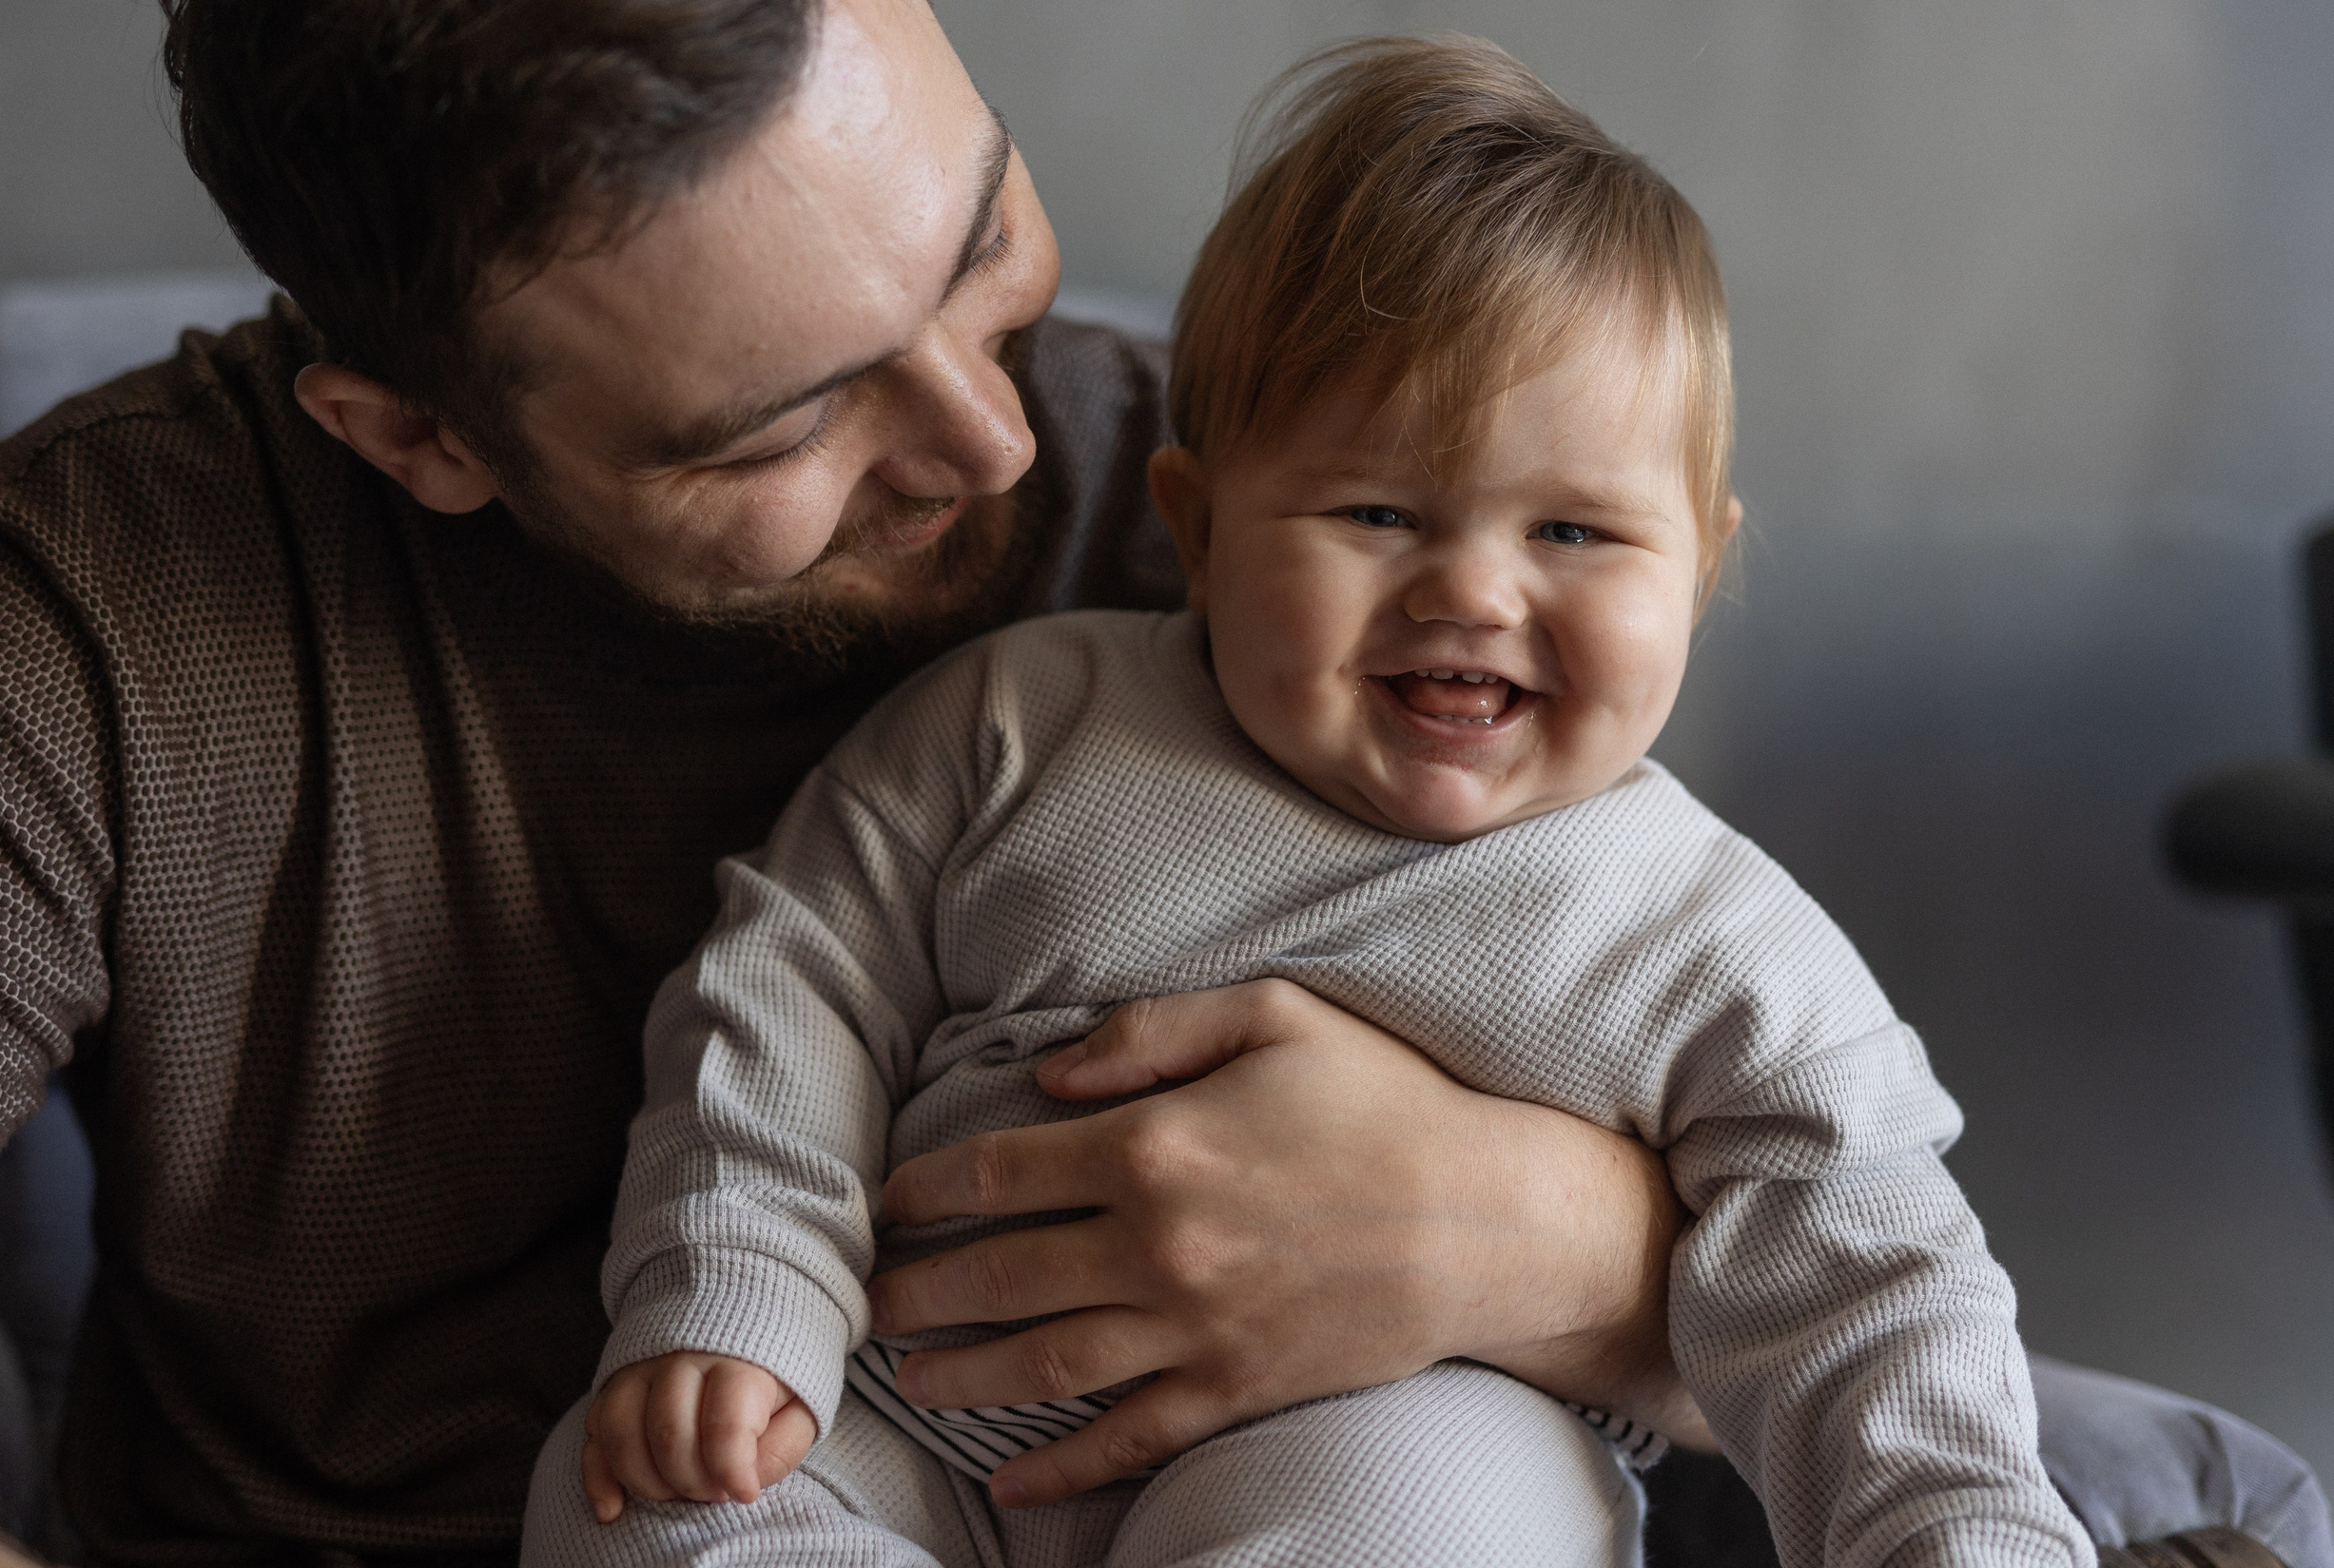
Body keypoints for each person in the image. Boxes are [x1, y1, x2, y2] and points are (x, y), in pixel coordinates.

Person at [0, 1, 2320, 1565]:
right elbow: (794, 981)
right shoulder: (83, 611)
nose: (993, 435)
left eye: (982, 245)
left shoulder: (1307, 467)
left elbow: (1800, 1179)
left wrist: (1534, 1244)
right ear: (412, 432)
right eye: (786, 418)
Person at [534, 37, 2087, 1567]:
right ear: (1198, 532)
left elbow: (1874, 1280)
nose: (1472, 589)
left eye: (1575, 530)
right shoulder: (1026, 720)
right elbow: (788, 989)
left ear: (1702, 563)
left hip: (1373, 1433)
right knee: (635, 1498)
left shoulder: (1706, 933)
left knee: (1438, 1516)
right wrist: (739, 1297)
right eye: (1378, 510)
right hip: (907, 1412)